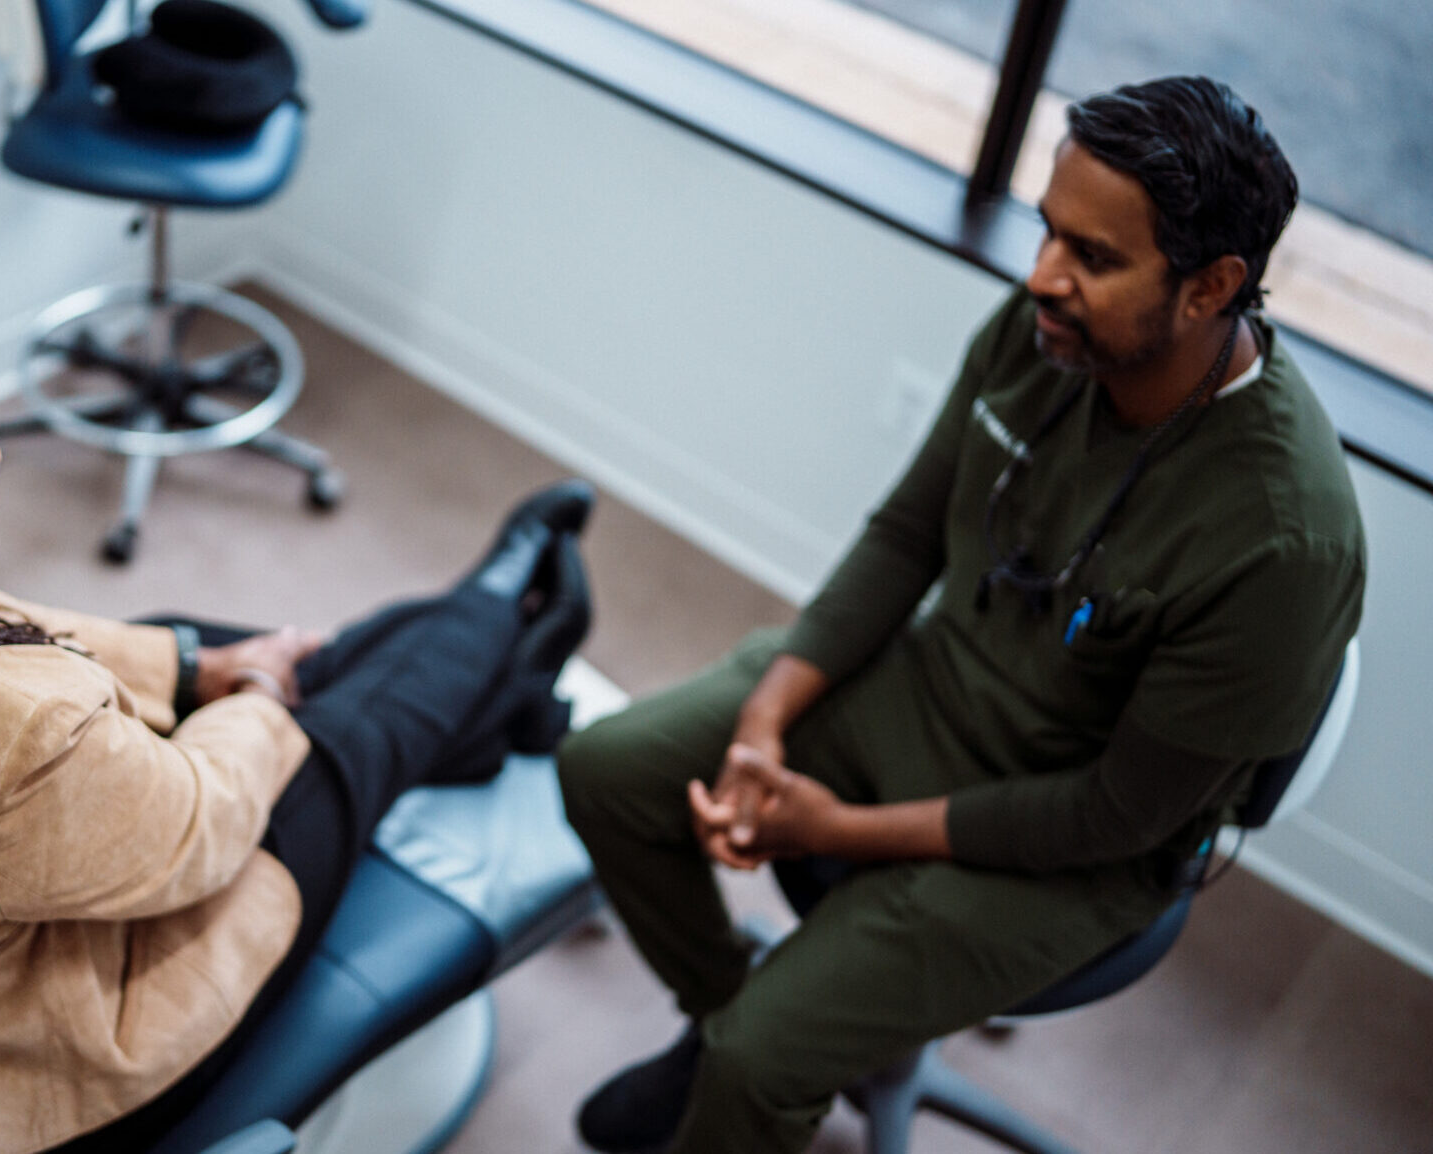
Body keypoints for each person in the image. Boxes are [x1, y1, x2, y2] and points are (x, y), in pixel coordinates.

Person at [0, 220, 594, 1154]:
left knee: (231, 644)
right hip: (46, 1091)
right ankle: (517, 603)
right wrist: (256, 695)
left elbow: (5, 627)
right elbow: (200, 827)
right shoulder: (15, 738)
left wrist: (197, 665)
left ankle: (501, 683)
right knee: (351, 734)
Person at [557, 76, 1364, 1154]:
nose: (1041, 277)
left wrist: (831, 830)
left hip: (1069, 841)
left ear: (1209, 286)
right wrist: (763, 724)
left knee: (766, 1059)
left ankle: (742, 1047)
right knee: (607, 770)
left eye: (1093, 256)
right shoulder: (1047, 334)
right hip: (930, 685)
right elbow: (903, 536)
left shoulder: (1281, 542)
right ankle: (718, 1011)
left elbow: (1112, 816)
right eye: (1046, 232)